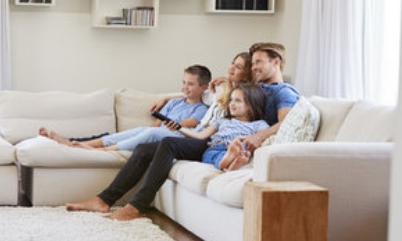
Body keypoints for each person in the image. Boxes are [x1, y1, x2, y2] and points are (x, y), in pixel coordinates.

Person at [66, 42, 300, 221]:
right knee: (147, 147)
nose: (255, 67)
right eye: (253, 64)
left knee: (167, 142)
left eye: (258, 63)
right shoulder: (254, 87)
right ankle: (103, 199)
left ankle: (137, 206)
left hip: (219, 141)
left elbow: (286, 123)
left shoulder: (282, 92)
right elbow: (210, 93)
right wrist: (227, 81)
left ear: (276, 62)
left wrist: (258, 136)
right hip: (211, 135)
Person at [39, 65, 211, 152]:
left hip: (177, 138)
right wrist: (165, 103)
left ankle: (103, 151)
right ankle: (79, 145)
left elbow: (181, 126)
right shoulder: (175, 103)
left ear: (203, 87)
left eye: (190, 84)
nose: (185, 87)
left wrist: (156, 128)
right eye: (183, 83)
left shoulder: (202, 109)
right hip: (160, 133)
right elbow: (157, 124)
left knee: (151, 133)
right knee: (143, 130)